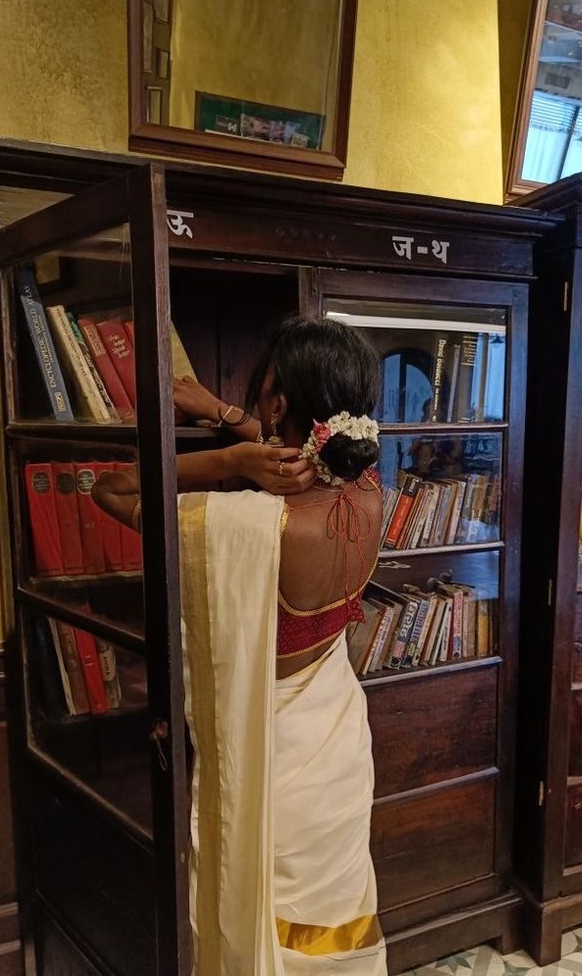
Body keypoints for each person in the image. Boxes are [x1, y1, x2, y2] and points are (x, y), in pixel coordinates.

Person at [92, 317, 387, 975]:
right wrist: (230, 416)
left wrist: (227, 459)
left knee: (264, 927)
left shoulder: (250, 524)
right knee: (328, 923)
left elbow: (108, 488)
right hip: (337, 739)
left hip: (273, 757)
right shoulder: (372, 493)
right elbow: (314, 457)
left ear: (277, 401)